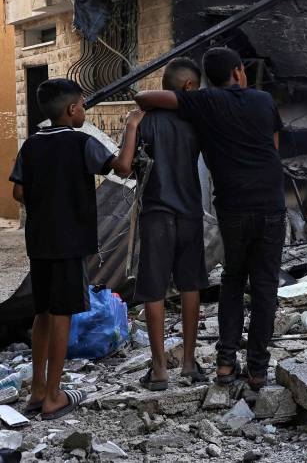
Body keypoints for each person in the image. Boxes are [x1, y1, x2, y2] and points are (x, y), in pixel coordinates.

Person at [135, 47, 285, 390]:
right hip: (270, 205)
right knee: (264, 285)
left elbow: (143, 96)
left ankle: (225, 363)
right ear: (237, 72)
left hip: (231, 207)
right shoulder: (263, 100)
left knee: (233, 279)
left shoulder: (203, 103)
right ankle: (258, 369)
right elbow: (273, 148)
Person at [10, 79, 142, 420]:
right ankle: (54, 396)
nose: (84, 110)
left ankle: (37, 391)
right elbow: (124, 168)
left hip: (39, 243)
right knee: (63, 315)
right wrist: (131, 126)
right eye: (83, 105)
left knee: (42, 313)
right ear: (71, 110)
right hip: (69, 244)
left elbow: (19, 194)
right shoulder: (82, 142)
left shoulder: (31, 145)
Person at [133, 58, 208, 391]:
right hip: (190, 210)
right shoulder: (196, 121)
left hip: (156, 213)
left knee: (154, 289)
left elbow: (128, 165)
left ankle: (160, 368)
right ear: (189, 87)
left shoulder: (144, 121)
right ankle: (189, 363)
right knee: (191, 285)